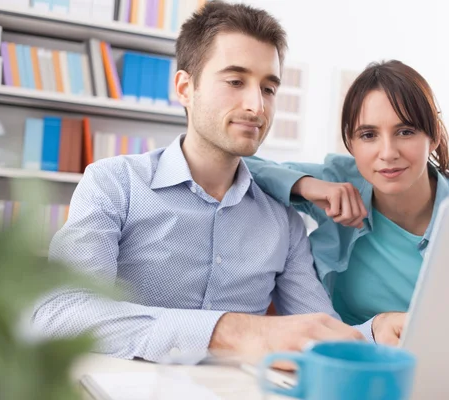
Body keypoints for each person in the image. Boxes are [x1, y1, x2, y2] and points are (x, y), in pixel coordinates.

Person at [32, 1, 374, 363]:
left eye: (269, 88)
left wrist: (376, 330)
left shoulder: (283, 222)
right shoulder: (114, 184)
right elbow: (61, 313)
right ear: (185, 87)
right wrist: (226, 331)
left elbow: (321, 333)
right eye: (235, 81)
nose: (256, 106)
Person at [245, 60, 449, 345]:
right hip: (359, 368)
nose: (387, 153)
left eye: (405, 131)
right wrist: (306, 185)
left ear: (433, 135)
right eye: (368, 135)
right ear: (351, 142)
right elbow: (239, 163)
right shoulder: (338, 182)